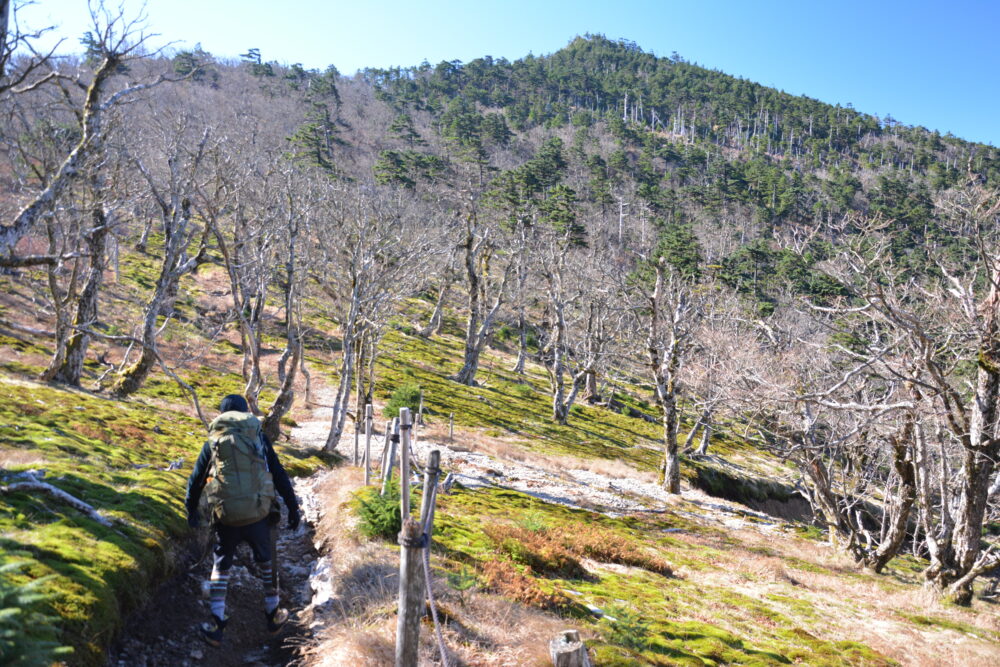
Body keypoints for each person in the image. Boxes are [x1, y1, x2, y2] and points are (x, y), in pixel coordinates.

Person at [185, 394, 301, 646]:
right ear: (245, 413)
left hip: (226, 515)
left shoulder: (214, 441)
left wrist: (190, 510)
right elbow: (278, 473)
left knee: (221, 564)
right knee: (266, 559)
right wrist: (293, 507)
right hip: (257, 513)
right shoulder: (256, 436)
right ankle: (272, 614)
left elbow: (195, 479)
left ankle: (217, 622)